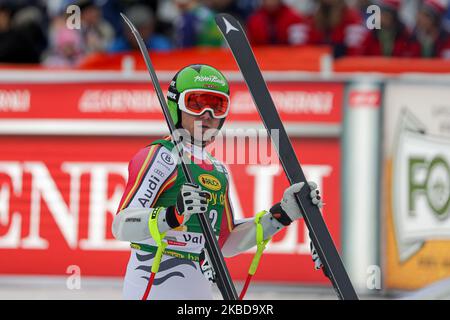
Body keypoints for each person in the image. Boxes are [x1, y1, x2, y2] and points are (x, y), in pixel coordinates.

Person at [112, 64, 324, 300]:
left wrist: (281, 215)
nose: (207, 114)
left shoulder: (218, 170)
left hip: (199, 289)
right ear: (176, 106)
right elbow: (121, 226)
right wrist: (173, 214)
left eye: (217, 105)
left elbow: (225, 242)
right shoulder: (160, 156)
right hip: (153, 284)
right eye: (196, 103)